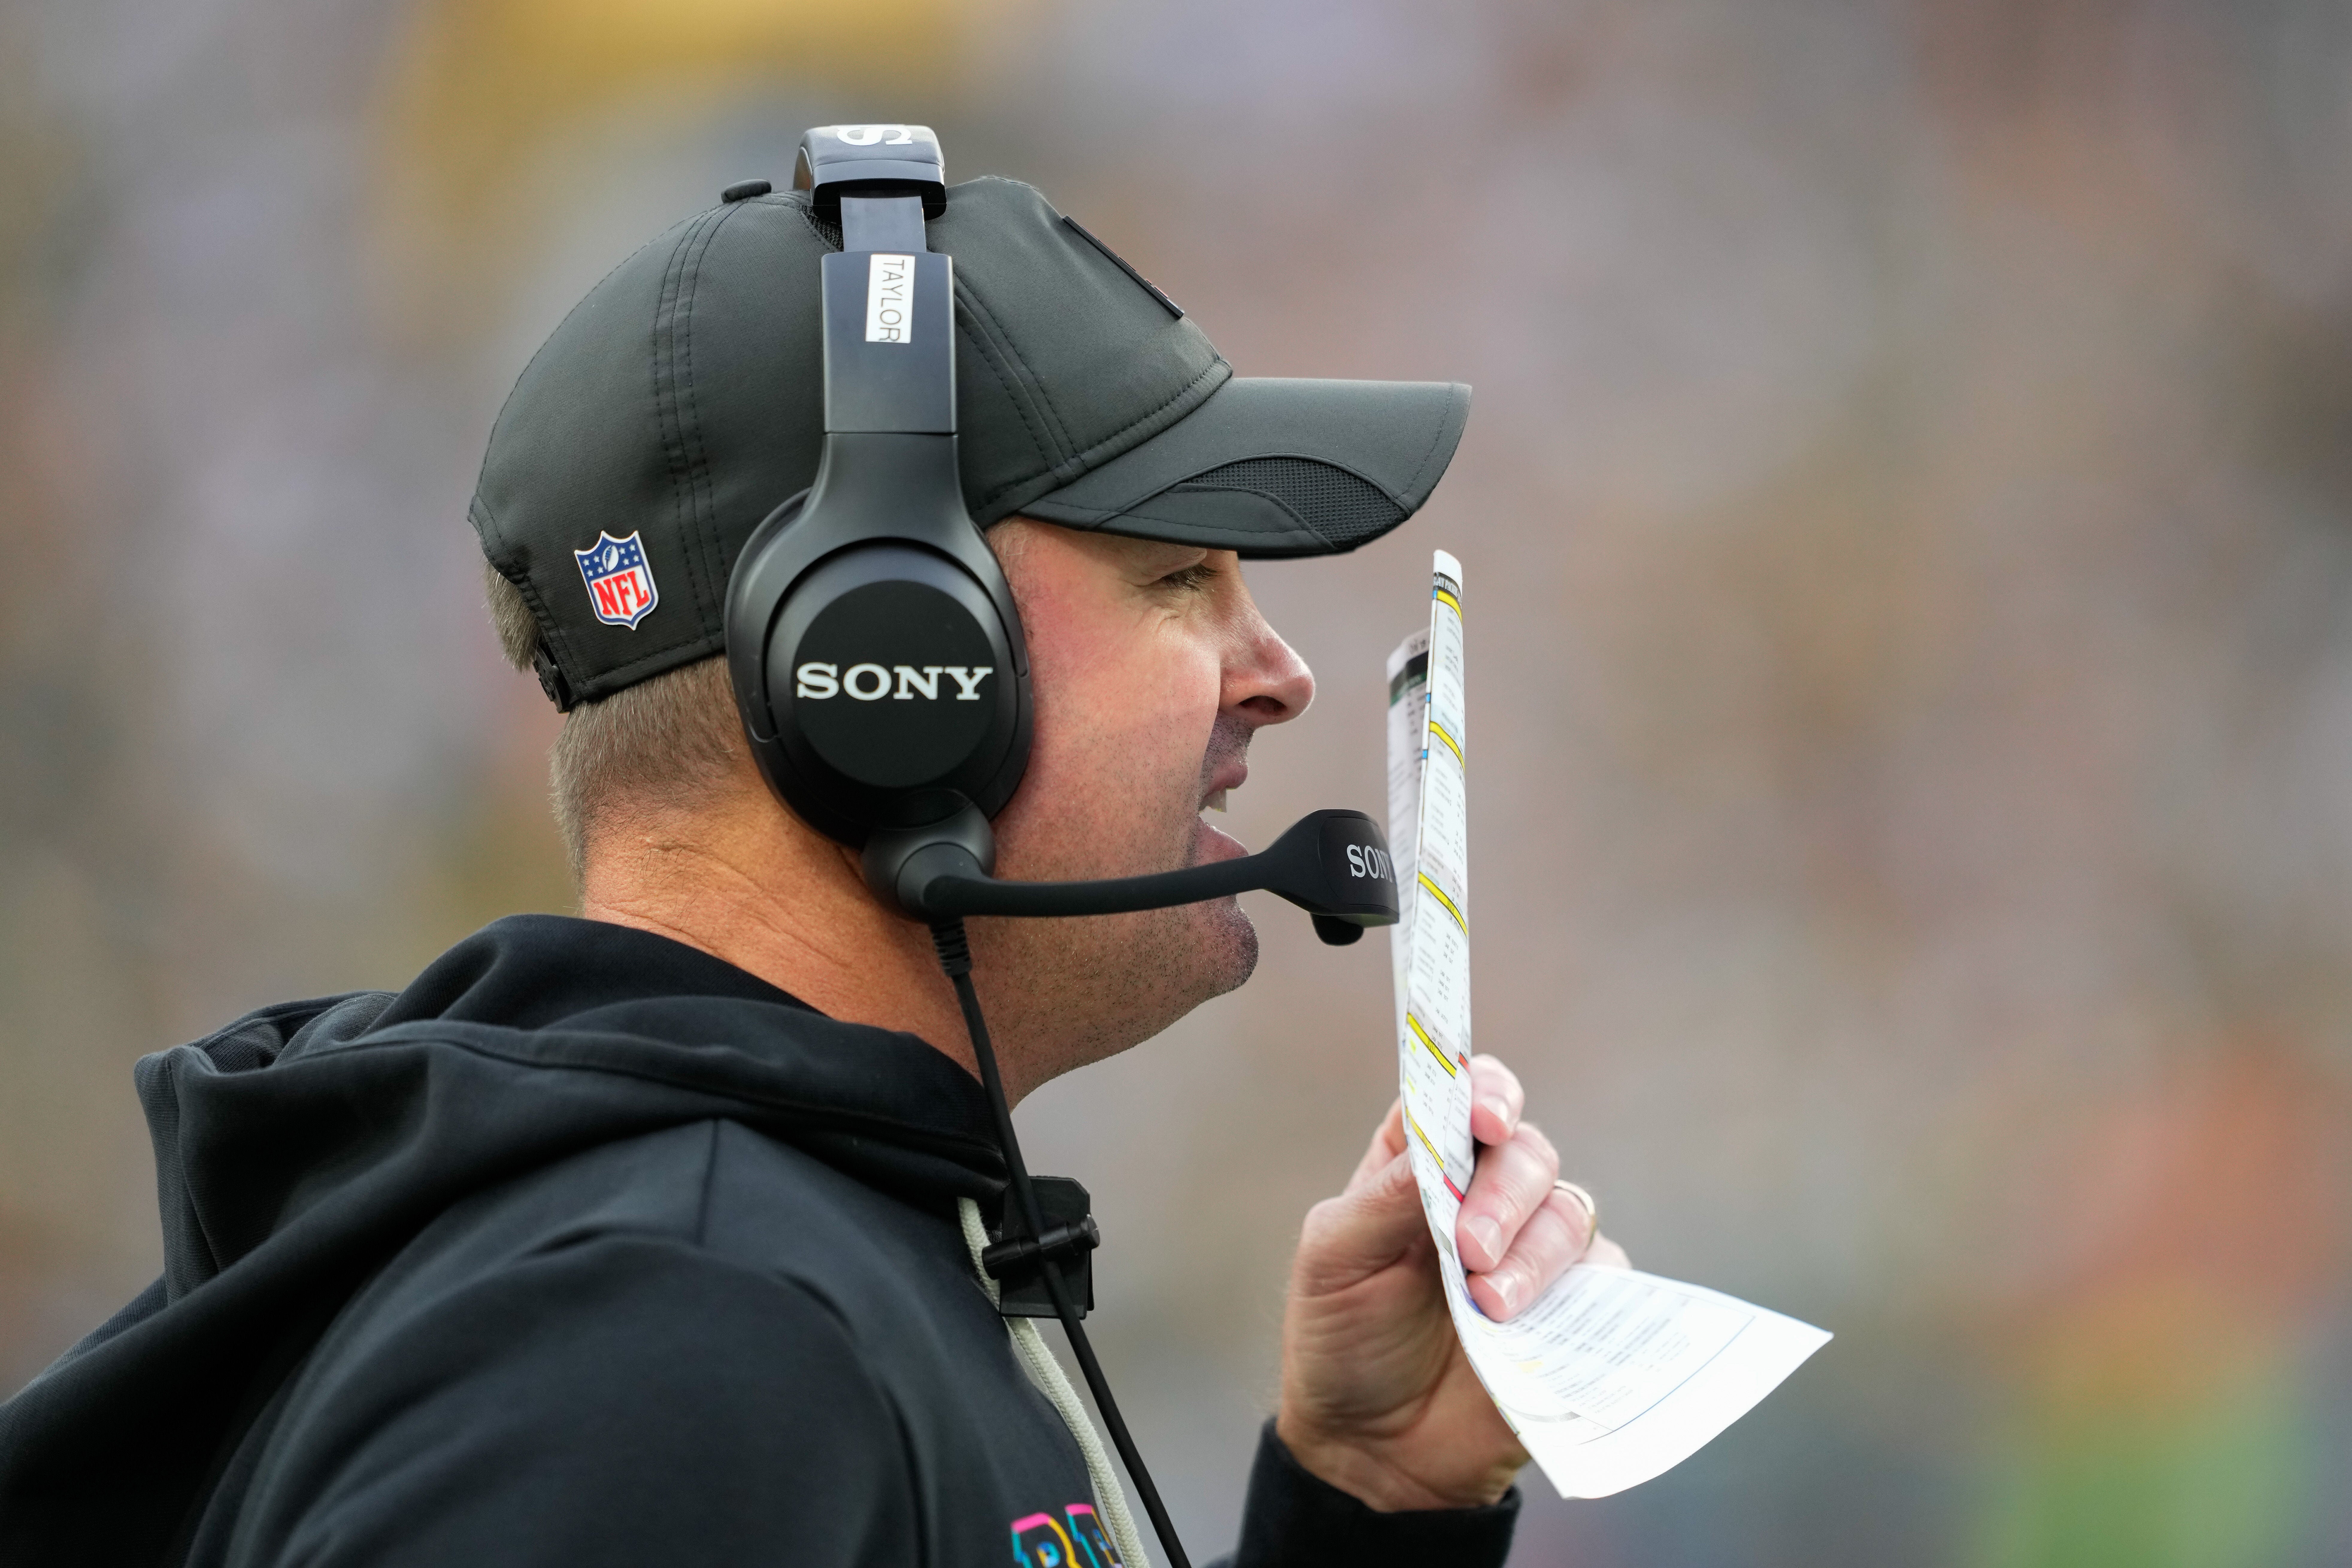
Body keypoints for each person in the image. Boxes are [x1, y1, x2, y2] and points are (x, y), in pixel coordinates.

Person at [0, 166, 1622, 1567]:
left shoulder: (736, 1276)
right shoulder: (673, 1344)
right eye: (1177, 575)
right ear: (899, 669)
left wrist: (1370, 1502)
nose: (1279, 673)